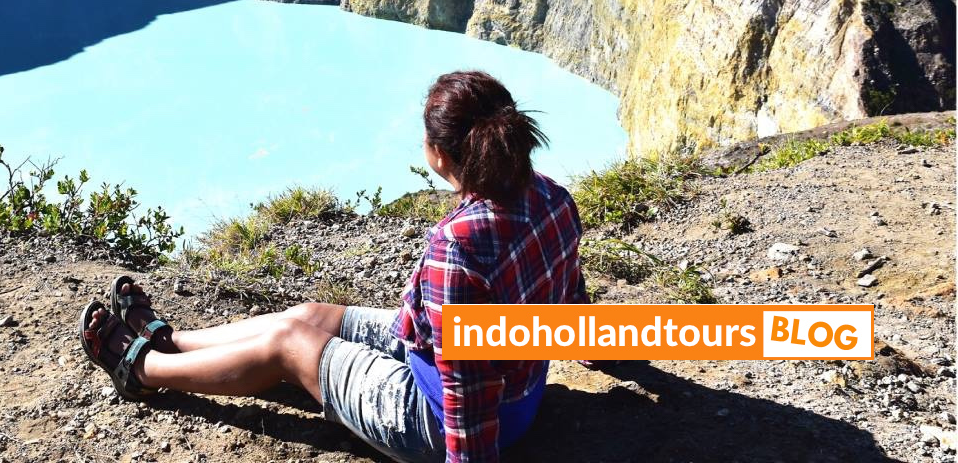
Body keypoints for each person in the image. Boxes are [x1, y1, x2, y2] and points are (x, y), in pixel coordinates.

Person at [80, 70, 589, 463]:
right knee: (309, 316)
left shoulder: (458, 248)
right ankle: (173, 340)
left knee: (289, 346)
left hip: (444, 419)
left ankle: (144, 369)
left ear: (438, 155)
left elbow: (466, 390)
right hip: (514, 390)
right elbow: (569, 297)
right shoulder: (552, 197)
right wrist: (605, 351)